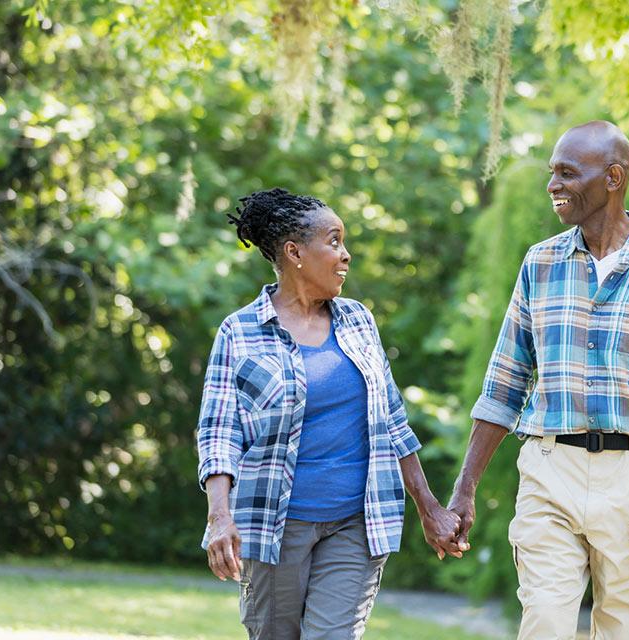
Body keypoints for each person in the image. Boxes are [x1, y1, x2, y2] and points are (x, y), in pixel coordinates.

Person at [447, 121, 629, 639]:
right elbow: (503, 385)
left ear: (613, 177)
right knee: (545, 623)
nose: (554, 184)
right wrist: (465, 489)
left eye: (568, 173)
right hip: (551, 466)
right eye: (552, 172)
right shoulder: (540, 264)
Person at [196, 188, 462, 640]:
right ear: (294, 252)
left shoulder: (357, 321)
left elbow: (392, 421)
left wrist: (429, 507)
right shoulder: (239, 332)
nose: (346, 255)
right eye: (334, 241)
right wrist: (220, 516)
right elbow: (219, 432)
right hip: (274, 525)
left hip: (355, 522)